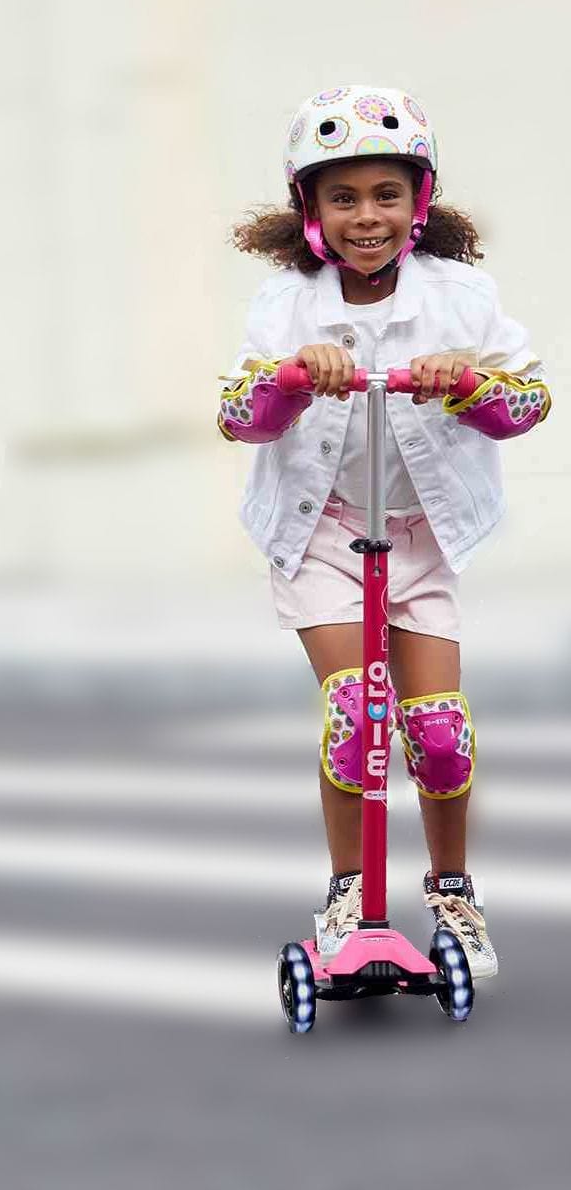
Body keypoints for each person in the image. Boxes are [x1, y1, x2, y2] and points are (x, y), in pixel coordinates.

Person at [219, 85, 552, 978]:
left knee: (438, 732)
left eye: (385, 195)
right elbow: (239, 416)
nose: (366, 216)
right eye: (343, 197)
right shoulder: (285, 302)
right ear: (310, 209)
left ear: (419, 201)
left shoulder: (463, 299)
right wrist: (292, 376)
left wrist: (470, 385)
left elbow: (529, 404)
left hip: (421, 538)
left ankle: (453, 890)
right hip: (322, 533)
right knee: (356, 711)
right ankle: (345, 895)